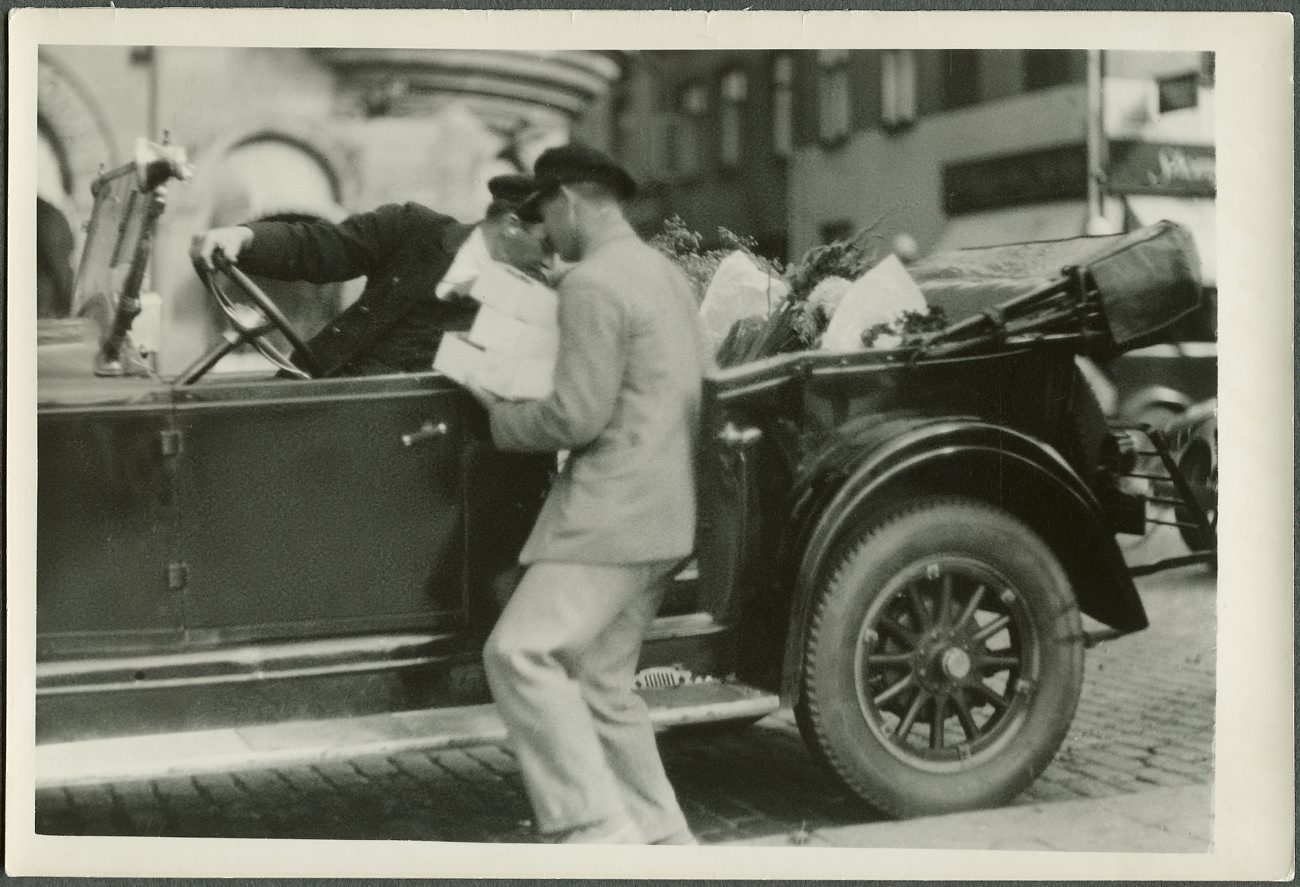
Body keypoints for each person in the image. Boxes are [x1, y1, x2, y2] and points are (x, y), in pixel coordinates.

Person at [465, 144, 710, 845]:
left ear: (570, 201)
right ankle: (664, 840)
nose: (543, 232)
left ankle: (594, 828)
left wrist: (498, 414)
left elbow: (576, 415)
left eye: (544, 213)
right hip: (665, 512)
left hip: (610, 516)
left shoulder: (593, 283)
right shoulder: (661, 272)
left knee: (518, 653)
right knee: (604, 684)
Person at [189, 174, 550, 377]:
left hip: (410, 443)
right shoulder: (414, 228)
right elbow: (322, 247)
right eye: (548, 243)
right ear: (512, 226)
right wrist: (245, 238)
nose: (556, 256)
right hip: (318, 391)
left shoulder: (537, 299)